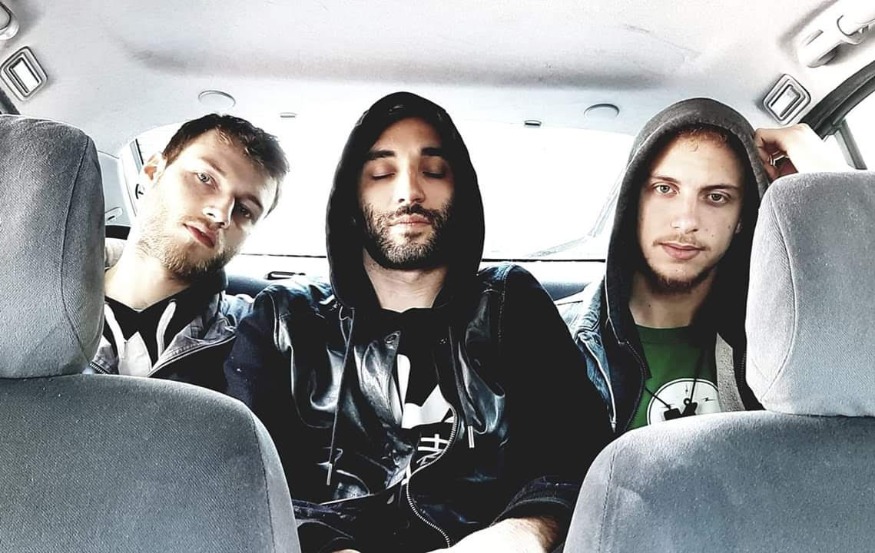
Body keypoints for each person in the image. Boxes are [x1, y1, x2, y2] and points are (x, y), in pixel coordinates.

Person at [224, 91, 613, 553]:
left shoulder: (511, 305)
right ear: (351, 197)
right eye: (382, 173)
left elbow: (578, 456)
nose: (409, 192)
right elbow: (243, 478)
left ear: (461, 192)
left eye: (433, 171)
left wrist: (523, 533)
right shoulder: (284, 319)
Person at [557, 98, 850, 436]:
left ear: (741, 219)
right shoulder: (554, 339)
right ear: (633, 201)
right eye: (664, 189)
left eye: (716, 197)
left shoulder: (789, 341)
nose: (686, 222)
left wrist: (833, 184)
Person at [89, 113, 289, 390]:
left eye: (244, 210)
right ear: (152, 172)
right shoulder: (34, 310)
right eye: (205, 178)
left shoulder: (262, 339)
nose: (221, 214)